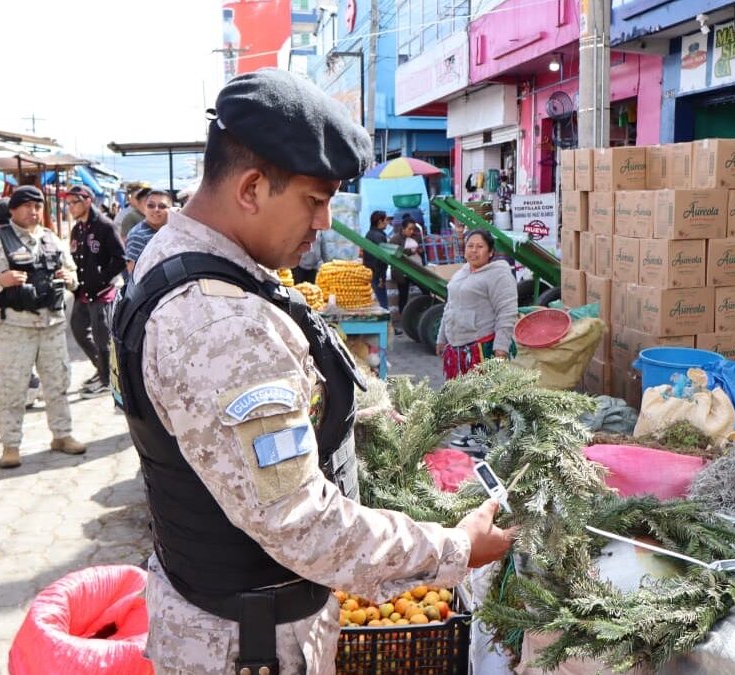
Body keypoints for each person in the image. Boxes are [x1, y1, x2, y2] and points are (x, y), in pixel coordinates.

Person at [112, 69, 514, 675]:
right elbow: (305, 525)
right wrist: (455, 548)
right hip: (249, 646)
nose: (324, 222)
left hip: (231, 618)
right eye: (314, 200)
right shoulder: (223, 325)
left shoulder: (187, 260)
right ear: (251, 188)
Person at [0, 186, 86, 469]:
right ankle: (11, 445)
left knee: (57, 383)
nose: (33, 211)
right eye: (26, 206)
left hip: (51, 324)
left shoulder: (52, 239)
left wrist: (69, 278)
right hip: (15, 328)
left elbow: (74, 273)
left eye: (37, 206)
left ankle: (62, 435)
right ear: (13, 210)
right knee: (12, 388)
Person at [0, 199, 43, 408]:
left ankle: (23, 389)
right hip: (10, 308)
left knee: (5, 353)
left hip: (3, 308)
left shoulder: (1, 244)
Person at [66, 185, 125, 398]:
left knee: (102, 339)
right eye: (69, 203)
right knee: (79, 330)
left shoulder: (105, 226)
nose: (71, 207)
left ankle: (107, 381)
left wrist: (101, 278)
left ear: (88, 201)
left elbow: (120, 258)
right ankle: (102, 370)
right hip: (83, 291)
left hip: (102, 291)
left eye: (75, 202)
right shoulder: (77, 229)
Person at [435, 229, 517, 379]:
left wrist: (501, 349)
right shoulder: (461, 273)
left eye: (480, 247)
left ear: (490, 252)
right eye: (470, 246)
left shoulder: (499, 274)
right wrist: (441, 338)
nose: (474, 251)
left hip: (481, 349)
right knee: (459, 398)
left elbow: (506, 312)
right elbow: (449, 307)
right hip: (456, 349)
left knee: (482, 398)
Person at [124, 189, 171, 273]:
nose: (156, 209)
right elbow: (134, 274)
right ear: (144, 208)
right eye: (151, 205)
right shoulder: (137, 235)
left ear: (170, 209)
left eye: (162, 206)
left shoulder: (173, 230)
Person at [389, 216, 425, 325]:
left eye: (413, 229)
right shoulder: (395, 239)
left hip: (414, 270)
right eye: (409, 229)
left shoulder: (416, 237)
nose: (411, 231)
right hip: (402, 272)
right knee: (403, 296)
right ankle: (403, 320)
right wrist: (410, 251)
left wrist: (420, 250)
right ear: (403, 229)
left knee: (425, 289)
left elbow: (421, 250)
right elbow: (397, 254)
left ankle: (425, 309)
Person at [361, 210, 390, 309]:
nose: (387, 222)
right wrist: (382, 277)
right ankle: (386, 323)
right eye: (385, 220)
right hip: (377, 274)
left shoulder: (369, 234)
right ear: (380, 222)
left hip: (370, 272)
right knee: (382, 304)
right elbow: (381, 258)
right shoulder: (379, 237)